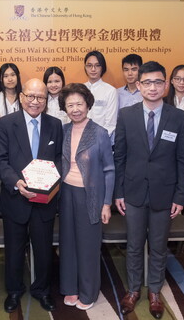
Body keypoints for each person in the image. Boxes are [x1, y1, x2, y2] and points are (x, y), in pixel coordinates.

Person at [114, 61, 184, 319]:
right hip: (133, 192)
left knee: (158, 246)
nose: (153, 87)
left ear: (166, 85)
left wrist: (180, 196)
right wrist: (118, 192)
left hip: (165, 194)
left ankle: (155, 291)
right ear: (139, 85)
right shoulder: (126, 114)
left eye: (158, 82)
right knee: (134, 245)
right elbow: (120, 157)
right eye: (147, 82)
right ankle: (133, 290)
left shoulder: (178, 117)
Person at [0, 79, 63, 313]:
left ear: (46, 100)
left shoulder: (55, 125)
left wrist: (52, 180)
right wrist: (16, 182)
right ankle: (14, 291)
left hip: (45, 201)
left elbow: (59, 157)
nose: (35, 101)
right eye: (30, 96)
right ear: (21, 97)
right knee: (13, 249)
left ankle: (42, 290)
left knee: (43, 249)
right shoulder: (5, 123)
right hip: (15, 198)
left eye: (40, 97)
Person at [58, 83, 114, 310]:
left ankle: (88, 292)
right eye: (70, 105)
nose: (75, 109)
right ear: (64, 108)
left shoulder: (100, 133)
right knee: (67, 242)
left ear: (88, 104)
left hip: (90, 195)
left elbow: (109, 170)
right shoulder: (63, 130)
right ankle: (70, 288)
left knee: (88, 245)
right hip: (65, 193)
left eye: (79, 103)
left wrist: (107, 203)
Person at [83, 51, 118, 138]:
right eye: (89, 65)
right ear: (85, 67)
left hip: (102, 140)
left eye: (97, 65)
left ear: (103, 68)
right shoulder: (80, 89)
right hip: (80, 139)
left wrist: (98, 140)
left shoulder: (110, 91)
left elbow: (111, 123)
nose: (93, 69)